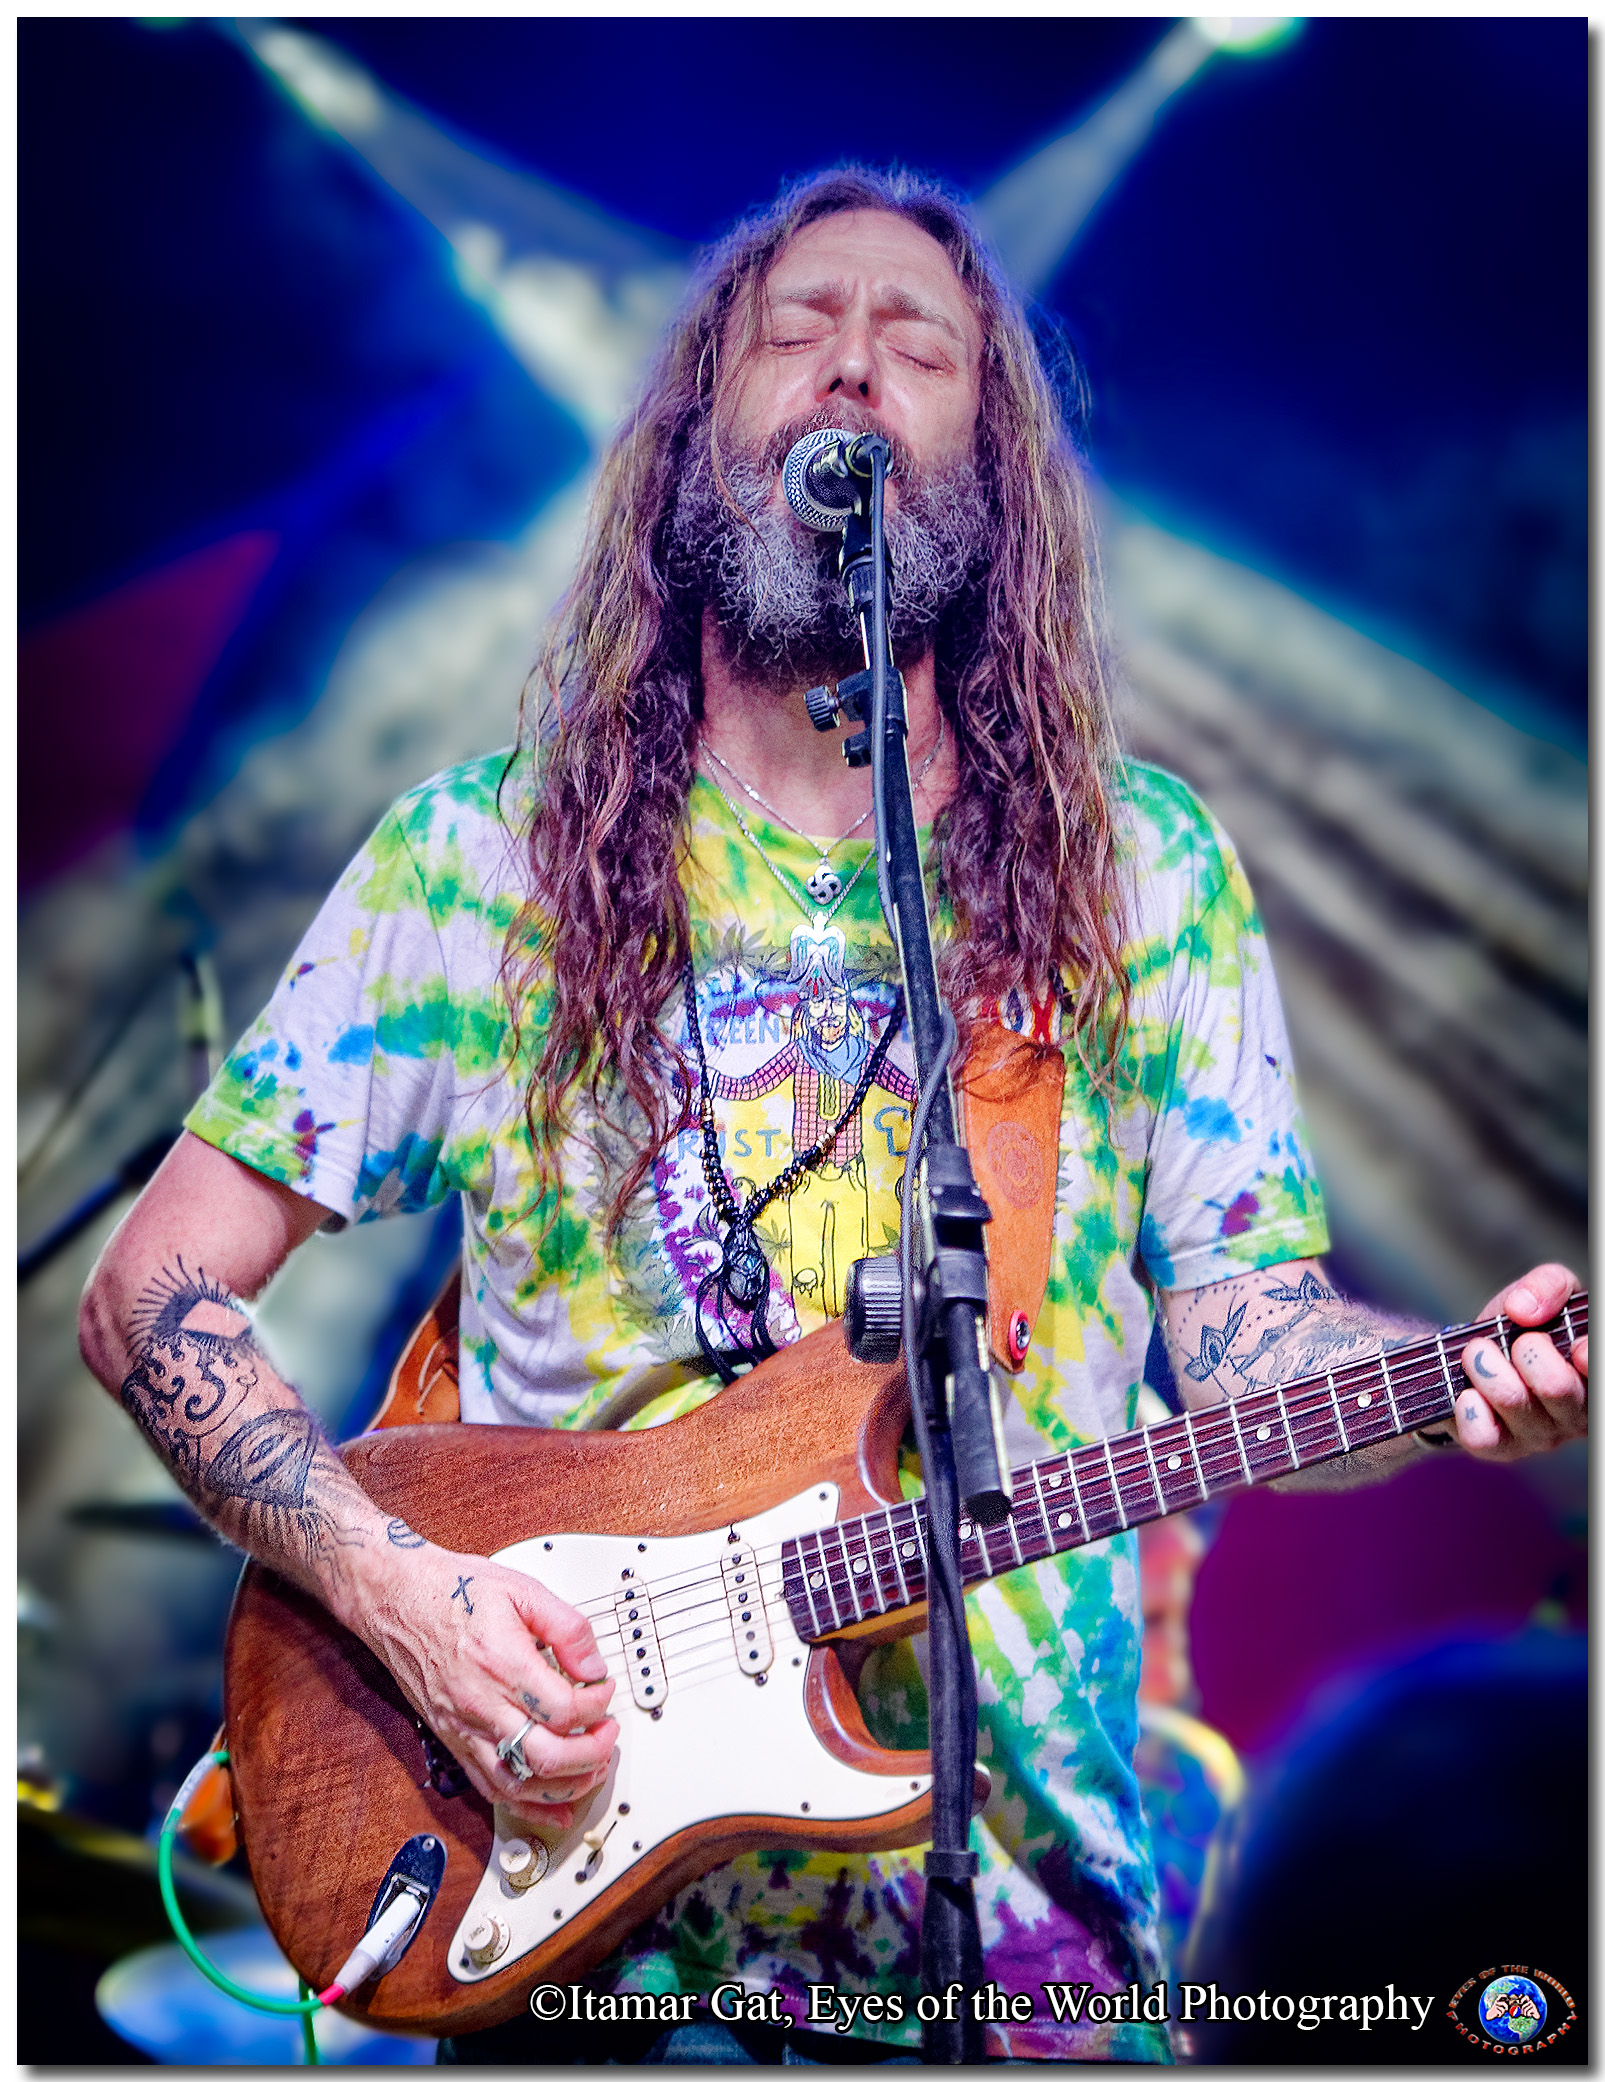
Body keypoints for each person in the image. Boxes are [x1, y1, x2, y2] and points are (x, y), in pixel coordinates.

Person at [78, 168, 1586, 2064]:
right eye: (795, 330)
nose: (852, 368)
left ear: (997, 463)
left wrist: (1447, 1378)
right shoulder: (480, 859)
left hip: (1019, 1958)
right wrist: (407, 1601)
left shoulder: (1139, 874)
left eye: (918, 346)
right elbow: (150, 1294)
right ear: (695, 428)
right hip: (586, 1955)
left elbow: (1242, 1337)